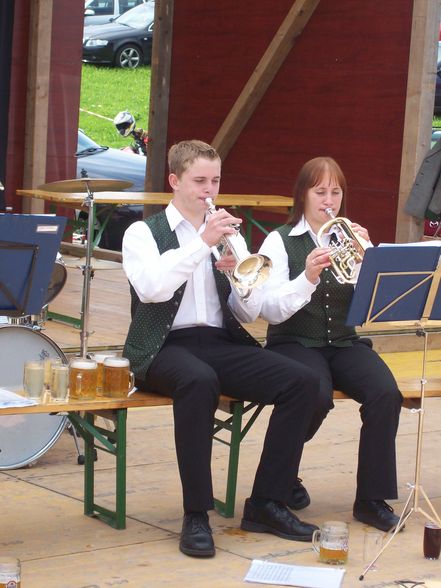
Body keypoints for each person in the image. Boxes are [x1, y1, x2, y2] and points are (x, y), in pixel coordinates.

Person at [122, 139, 321, 558]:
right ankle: (196, 513)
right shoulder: (143, 232)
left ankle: (266, 501)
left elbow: (247, 313)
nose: (208, 190)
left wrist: (237, 280)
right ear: (174, 181)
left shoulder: (227, 235)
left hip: (218, 339)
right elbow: (152, 289)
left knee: (303, 382)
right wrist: (200, 243)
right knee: (198, 381)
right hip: (161, 345)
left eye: (214, 180)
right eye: (198, 181)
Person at [258, 156, 403, 532]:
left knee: (385, 393)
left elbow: (372, 306)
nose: (329, 199)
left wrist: (368, 258)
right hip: (292, 340)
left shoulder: (350, 237)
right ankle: (282, 476)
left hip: (343, 340)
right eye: (320, 190)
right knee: (315, 394)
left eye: (335, 191)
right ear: (302, 195)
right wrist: (306, 276)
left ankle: (371, 499)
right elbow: (270, 310)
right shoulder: (279, 240)